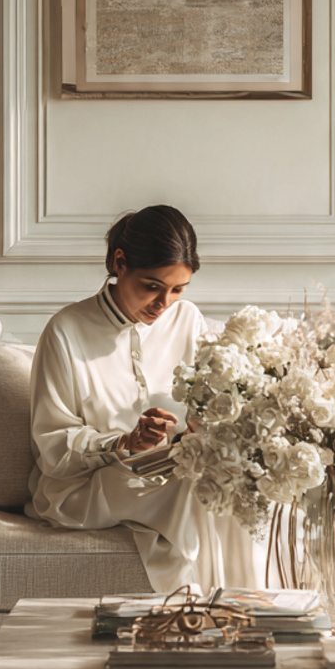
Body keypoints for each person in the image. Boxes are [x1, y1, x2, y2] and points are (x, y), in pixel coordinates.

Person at [26, 204, 261, 592]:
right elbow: (53, 451)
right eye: (153, 285)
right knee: (197, 489)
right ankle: (218, 616)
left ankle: (250, 614)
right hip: (86, 484)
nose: (164, 302)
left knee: (232, 478)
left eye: (178, 289)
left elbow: (207, 407)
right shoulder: (65, 331)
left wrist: (207, 428)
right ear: (120, 263)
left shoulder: (186, 320)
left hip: (175, 467)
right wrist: (124, 442)